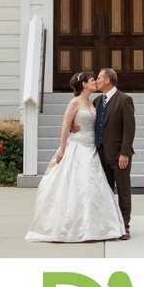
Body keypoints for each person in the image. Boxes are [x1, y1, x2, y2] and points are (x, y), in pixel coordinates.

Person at [25, 70, 126, 243]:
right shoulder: (75, 102)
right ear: (84, 84)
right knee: (78, 187)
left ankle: (96, 226)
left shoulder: (95, 102)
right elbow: (65, 124)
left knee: (93, 187)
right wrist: (63, 148)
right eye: (93, 80)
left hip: (92, 148)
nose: (96, 82)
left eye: (97, 79)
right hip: (77, 147)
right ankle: (74, 227)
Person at [94, 67, 135, 239]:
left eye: (98, 78)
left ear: (107, 81)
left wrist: (124, 153)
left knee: (123, 190)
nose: (96, 81)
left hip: (119, 155)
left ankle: (125, 226)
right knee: (105, 190)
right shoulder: (96, 101)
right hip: (100, 153)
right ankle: (109, 224)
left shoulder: (124, 100)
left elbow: (129, 128)